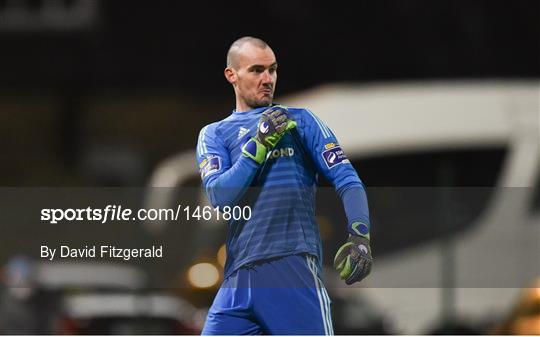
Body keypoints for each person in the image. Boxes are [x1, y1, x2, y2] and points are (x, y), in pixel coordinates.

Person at [195, 36, 372, 335]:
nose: (268, 79)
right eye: (256, 70)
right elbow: (220, 198)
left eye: (272, 70)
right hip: (238, 277)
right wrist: (257, 148)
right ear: (231, 75)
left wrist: (360, 236)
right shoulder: (214, 134)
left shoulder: (301, 122)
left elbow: (347, 179)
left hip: (291, 266)